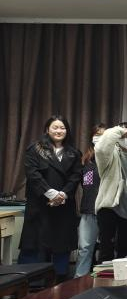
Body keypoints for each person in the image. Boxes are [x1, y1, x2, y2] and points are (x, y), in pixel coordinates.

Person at [20, 116, 82, 282]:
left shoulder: (74, 152)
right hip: (40, 207)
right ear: (47, 129)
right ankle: (34, 285)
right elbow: (33, 174)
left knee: (61, 247)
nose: (59, 131)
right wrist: (51, 193)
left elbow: (76, 176)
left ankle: (60, 282)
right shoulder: (35, 149)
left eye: (62, 128)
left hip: (63, 207)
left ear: (67, 131)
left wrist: (63, 194)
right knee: (36, 247)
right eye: (55, 127)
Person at [94, 122, 127, 263]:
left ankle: (121, 277)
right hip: (109, 206)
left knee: (125, 249)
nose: (125, 138)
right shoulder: (109, 154)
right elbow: (100, 149)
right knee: (106, 250)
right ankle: (103, 276)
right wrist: (118, 130)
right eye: (122, 135)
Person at [75, 123, 106, 278]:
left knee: (107, 249)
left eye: (103, 135)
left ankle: (105, 281)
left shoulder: (114, 156)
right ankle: (79, 281)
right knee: (84, 248)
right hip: (89, 210)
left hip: (109, 211)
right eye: (97, 134)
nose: (99, 138)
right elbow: (84, 185)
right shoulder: (85, 161)